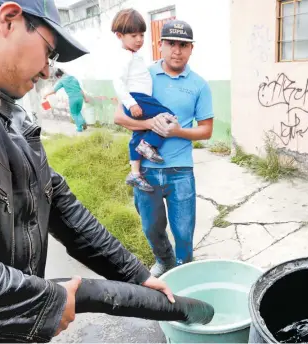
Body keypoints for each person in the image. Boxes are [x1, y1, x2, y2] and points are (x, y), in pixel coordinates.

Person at [0, 0, 175, 342]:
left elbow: (53, 196)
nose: (48, 71)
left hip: (5, 326)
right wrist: (36, 303)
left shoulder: (3, 105)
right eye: (49, 51)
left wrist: (134, 275)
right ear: (9, 20)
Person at [114, 19, 214, 277]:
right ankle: (164, 260)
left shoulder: (199, 85)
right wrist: (151, 123)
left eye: (183, 45)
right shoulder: (142, 75)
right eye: (171, 44)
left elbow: (206, 130)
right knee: (151, 227)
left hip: (181, 170)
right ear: (161, 45)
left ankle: (183, 269)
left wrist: (176, 131)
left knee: (183, 231)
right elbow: (120, 117)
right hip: (147, 170)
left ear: (191, 49)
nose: (177, 51)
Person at [110, 8, 176, 193]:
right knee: (168, 116)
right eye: (133, 35)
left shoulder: (133, 55)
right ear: (119, 35)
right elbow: (118, 82)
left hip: (139, 98)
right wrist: (131, 103)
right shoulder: (124, 57)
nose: (139, 39)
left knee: (138, 134)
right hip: (138, 98)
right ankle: (149, 145)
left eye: (142, 35)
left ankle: (135, 173)